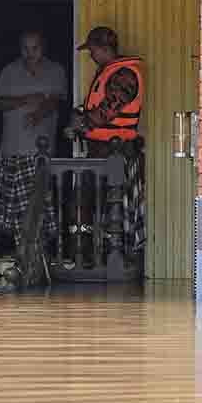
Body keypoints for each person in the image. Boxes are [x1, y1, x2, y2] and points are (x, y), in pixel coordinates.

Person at [65, 26, 146, 253]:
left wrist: (79, 124)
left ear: (103, 48)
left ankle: (115, 257)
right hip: (100, 151)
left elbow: (108, 111)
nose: (90, 55)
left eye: (92, 50)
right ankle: (87, 253)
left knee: (114, 208)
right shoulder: (110, 71)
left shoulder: (125, 74)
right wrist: (80, 114)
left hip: (116, 153)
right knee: (89, 203)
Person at [0, 30, 67, 249]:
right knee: (10, 210)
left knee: (39, 206)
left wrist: (39, 113)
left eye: (35, 48)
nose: (30, 53)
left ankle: (39, 252)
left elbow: (56, 101)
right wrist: (24, 100)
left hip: (40, 152)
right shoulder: (9, 71)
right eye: (25, 48)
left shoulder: (55, 70)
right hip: (12, 149)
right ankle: (15, 251)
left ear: (44, 47)